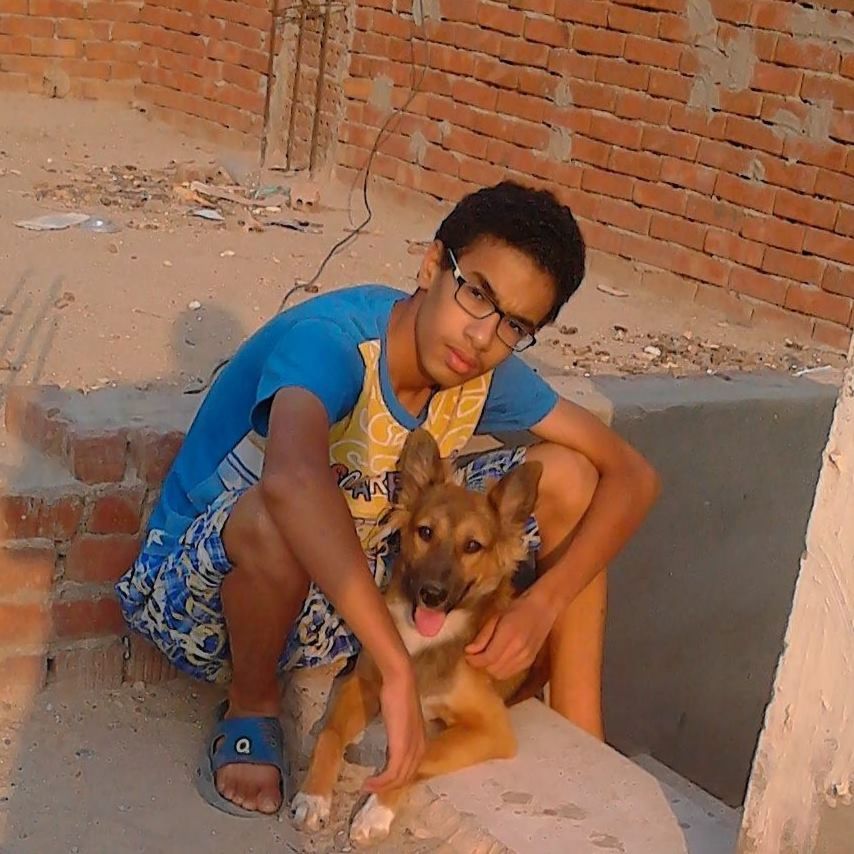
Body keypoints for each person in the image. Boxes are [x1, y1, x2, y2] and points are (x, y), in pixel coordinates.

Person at [116, 180, 660, 818]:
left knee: (569, 476)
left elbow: (633, 477)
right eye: (477, 293)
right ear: (432, 266)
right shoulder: (334, 343)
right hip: (202, 600)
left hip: (351, 581)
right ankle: (252, 705)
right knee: (276, 514)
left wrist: (543, 603)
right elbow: (292, 482)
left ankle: (580, 733)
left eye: (514, 325)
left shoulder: (478, 369)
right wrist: (396, 668)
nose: (483, 336)